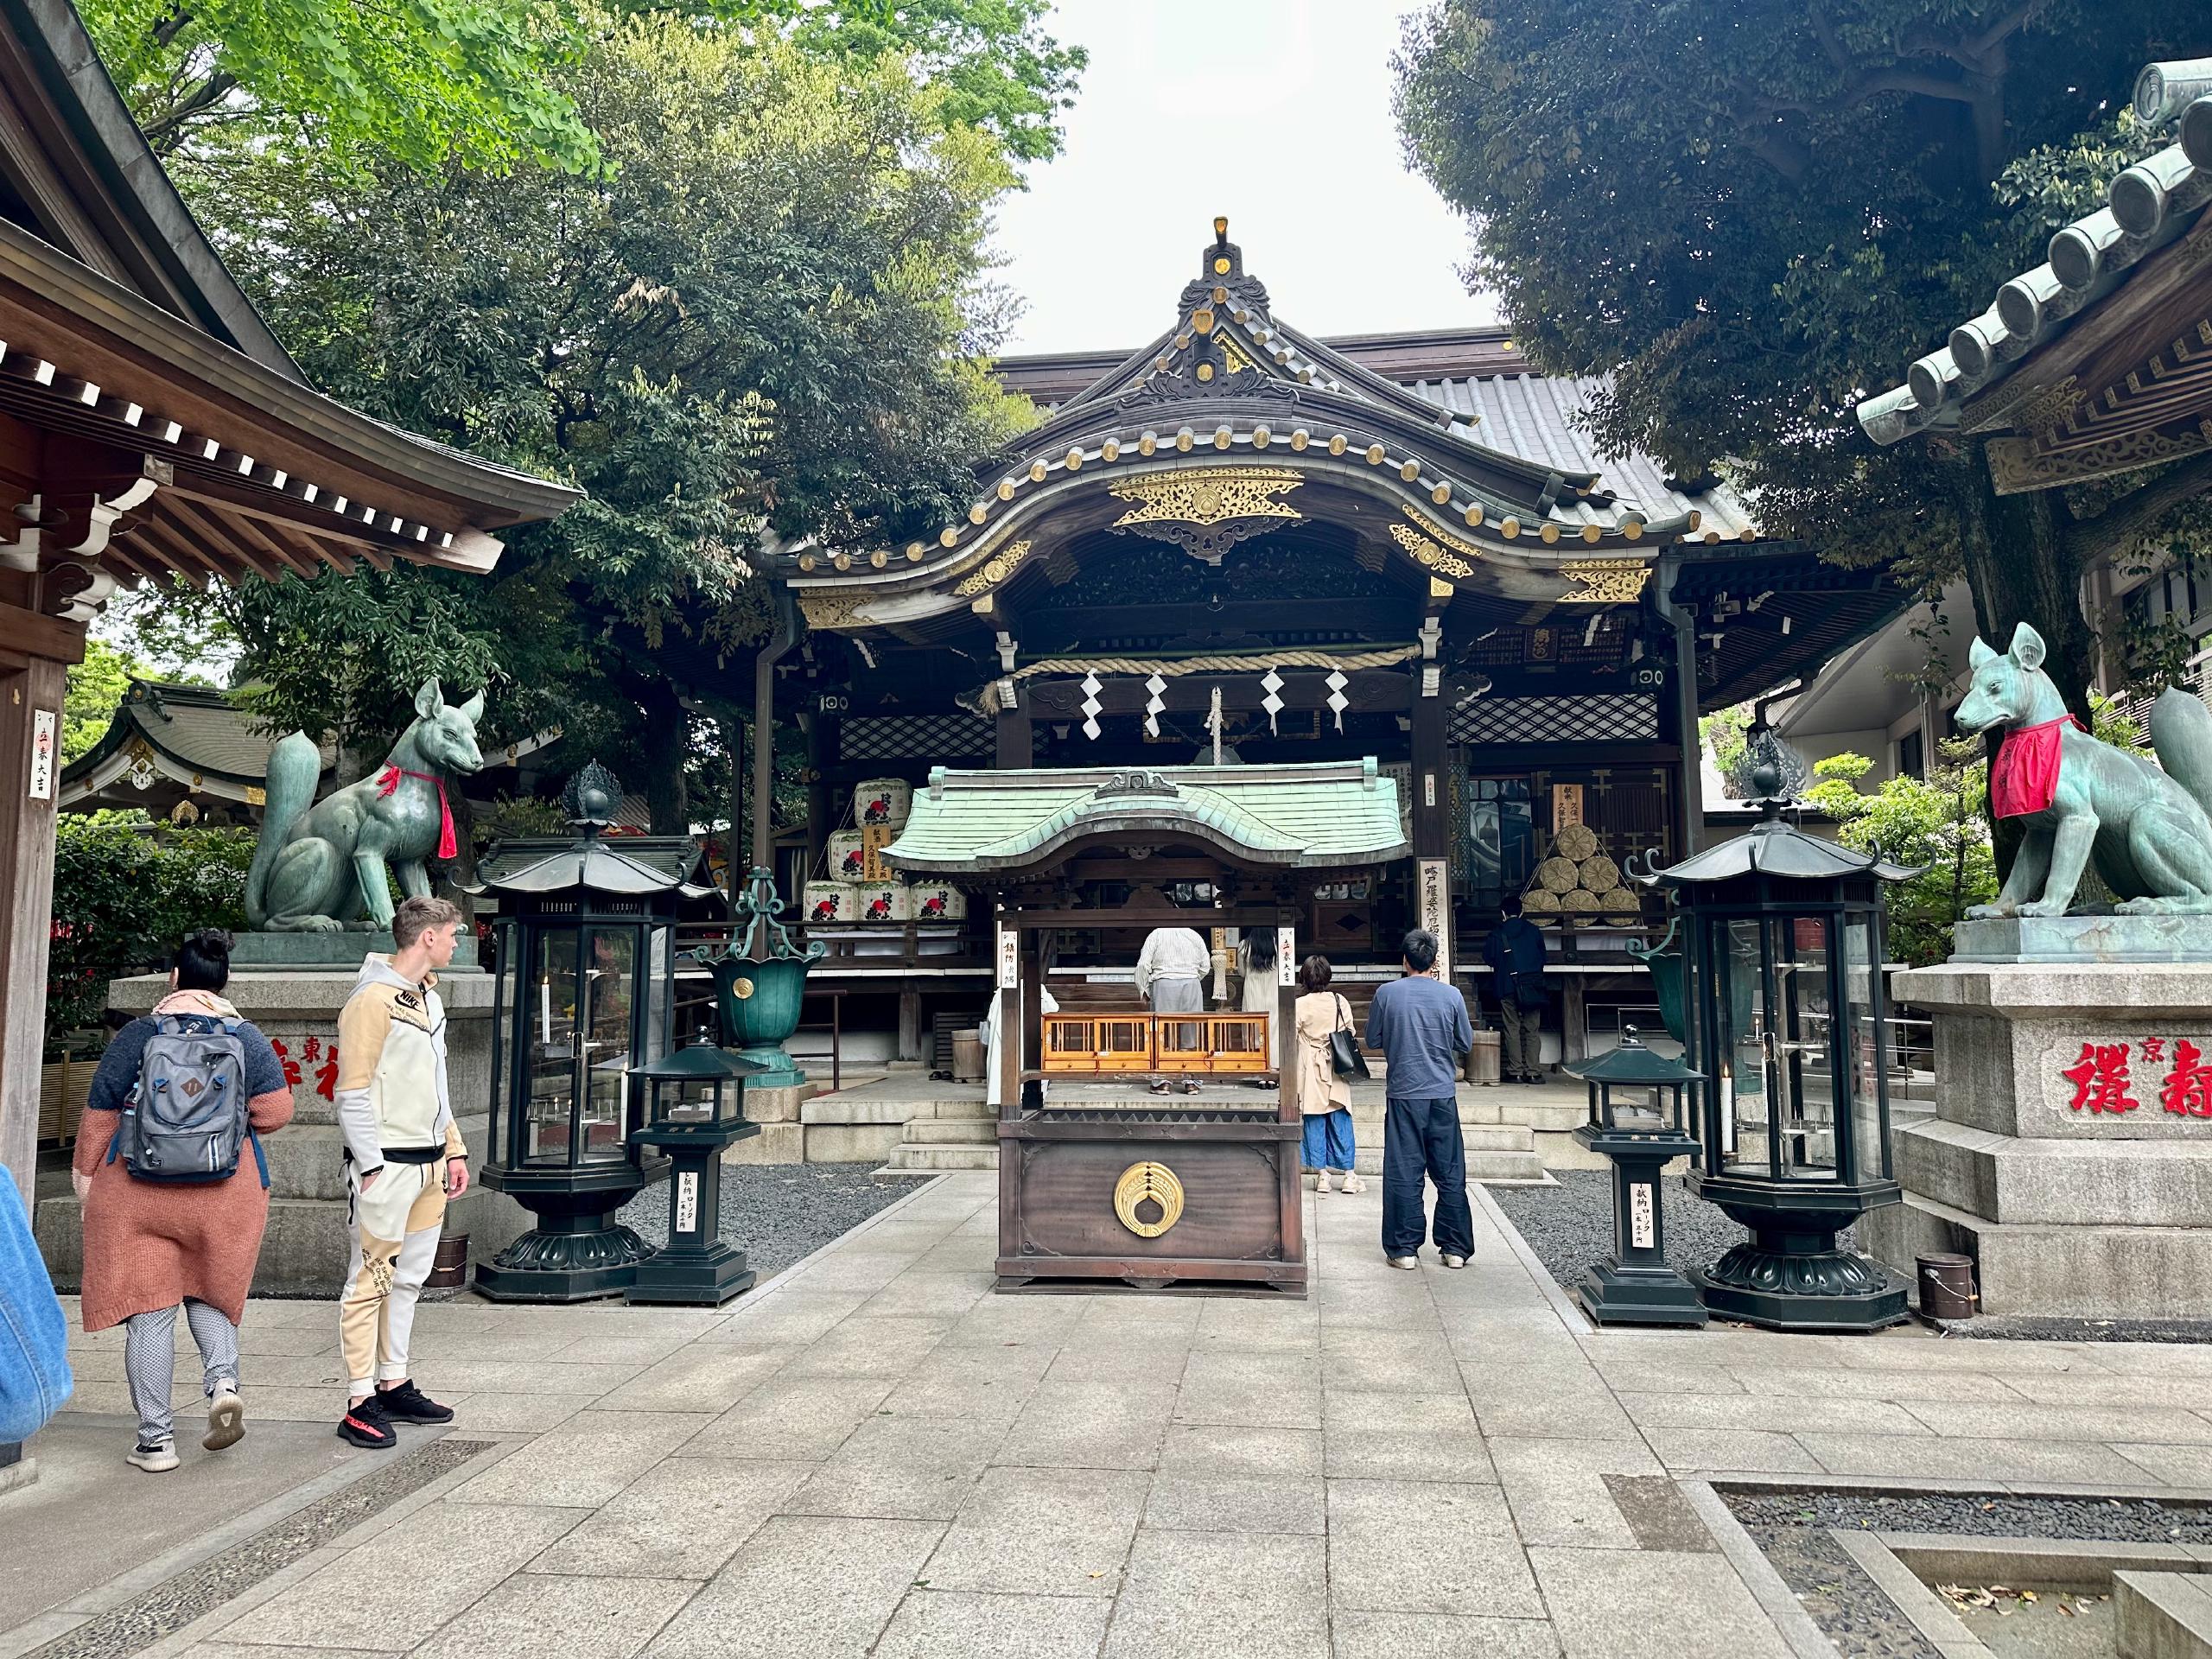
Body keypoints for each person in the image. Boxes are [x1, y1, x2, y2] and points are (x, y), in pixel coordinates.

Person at [72, 930, 293, 1471]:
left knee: (150, 1310)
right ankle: (221, 1386)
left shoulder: (139, 1034)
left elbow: (100, 1114)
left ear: (173, 978)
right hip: (222, 1192)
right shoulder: (246, 1037)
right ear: (223, 982)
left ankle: (156, 1442)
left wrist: (85, 1182)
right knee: (209, 1293)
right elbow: (277, 1111)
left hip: (137, 1193)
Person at [334, 895, 469, 1449]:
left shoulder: (427, 1000)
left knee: (409, 1279)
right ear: (427, 937)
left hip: (429, 1162)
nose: (457, 943)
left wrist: (453, 1150)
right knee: (370, 1281)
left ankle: (394, 1380)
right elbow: (351, 1091)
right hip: (387, 1163)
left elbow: (436, 1085)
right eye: (453, 934)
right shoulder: (371, 1000)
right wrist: (369, 1164)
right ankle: (359, 1398)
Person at [1363, 928, 1476, 1269]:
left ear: (1404, 960)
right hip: (1441, 1092)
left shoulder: (1387, 993)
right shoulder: (1452, 996)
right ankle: (1455, 1248)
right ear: (1434, 960)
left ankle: (1403, 1249)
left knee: (1403, 1170)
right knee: (1450, 1171)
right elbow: (1466, 1043)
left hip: (1403, 1093)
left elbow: (1372, 1039)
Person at [1292, 955, 1363, 1195]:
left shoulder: (1300, 1004)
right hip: (1336, 1066)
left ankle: (1323, 1176)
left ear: (1304, 978)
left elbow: (1290, 1036)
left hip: (1310, 1068)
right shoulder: (1339, 1000)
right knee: (1341, 1117)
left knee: (1314, 1119)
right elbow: (1350, 1031)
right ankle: (1349, 1177)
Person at [1482, 894, 1550, 1084]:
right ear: (1522, 911)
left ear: (1503, 913)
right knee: (1532, 1029)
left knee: (1512, 1028)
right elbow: (1543, 958)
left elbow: (1488, 958)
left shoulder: (1497, 933)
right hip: (1532, 987)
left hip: (1507, 985)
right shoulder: (1534, 931)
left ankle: (1516, 1072)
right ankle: (1534, 1072)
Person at [1135, 924, 1210, 1095]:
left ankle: (1163, 1082)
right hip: (1191, 982)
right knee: (1191, 1033)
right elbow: (1205, 965)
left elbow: (1143, 965)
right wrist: (1193, 978)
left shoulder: (1157, 934)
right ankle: (1191, 1082)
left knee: (1163, 1033)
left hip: (1164, 983)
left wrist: (1144, 989)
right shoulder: (1193, 934)